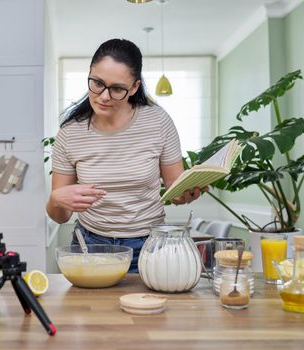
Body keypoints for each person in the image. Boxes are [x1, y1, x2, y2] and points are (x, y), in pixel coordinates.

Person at [46, 38, 205, 272]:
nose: (104, 96)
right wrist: (55, 200)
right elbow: (60, 215)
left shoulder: (158, 122)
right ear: (89, 74)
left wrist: (188, 191)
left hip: (149, 246)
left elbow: (175, 191)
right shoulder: (70, 132)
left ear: (134, 88)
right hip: (90, 246)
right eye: (97, 83)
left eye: (117, 88)